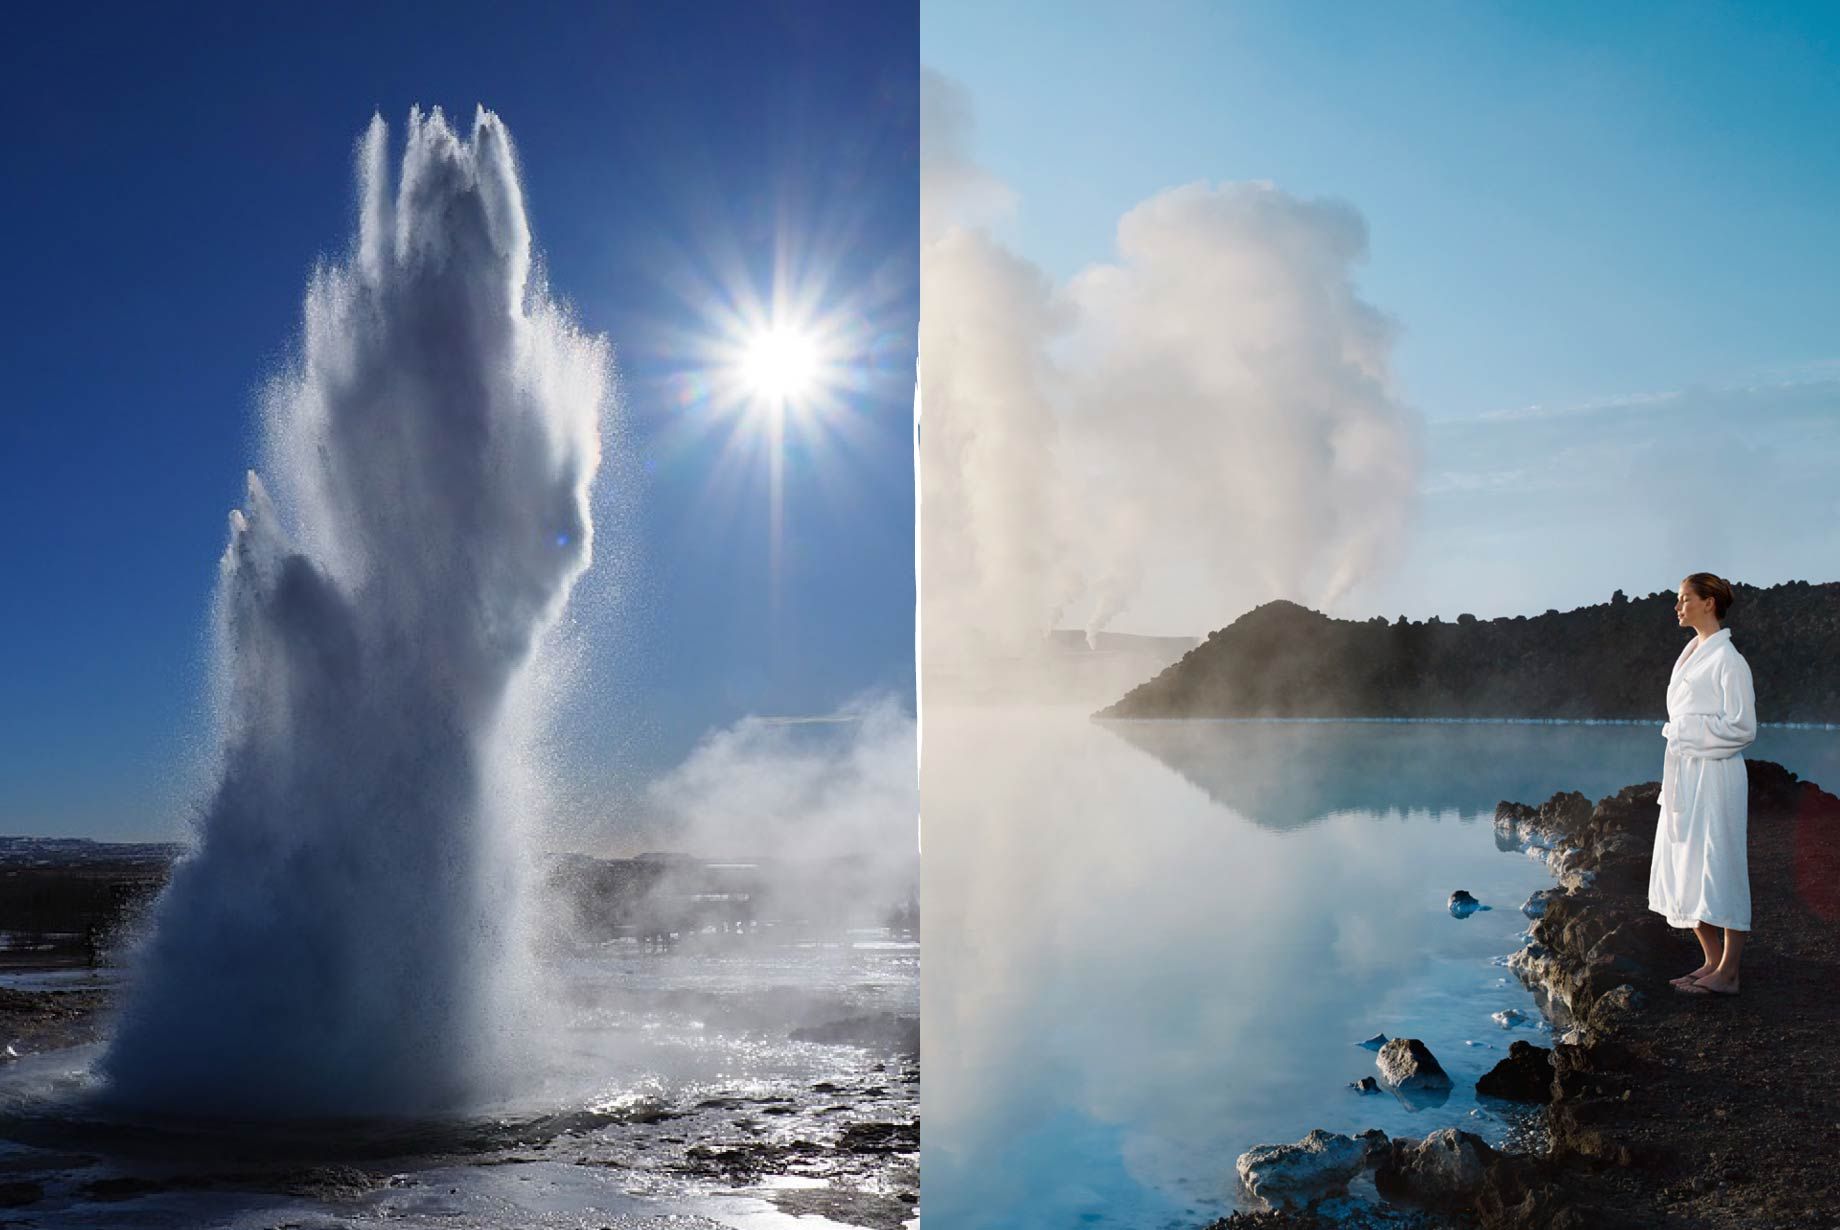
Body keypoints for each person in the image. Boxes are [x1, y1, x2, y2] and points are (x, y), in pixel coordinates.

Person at [1650, 572, 1755, 997]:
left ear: (1709, 603)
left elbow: (1743, 726)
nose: (1678, 607)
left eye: (1685, 599)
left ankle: (1729, 972)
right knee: (1685, 862)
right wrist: (1683, 737)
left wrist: (1687, 733)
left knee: (1719, 864)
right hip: (1687, 774)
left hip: (1716, 775)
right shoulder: (1692, 653)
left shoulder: (1729, 660)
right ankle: (1711, 960)